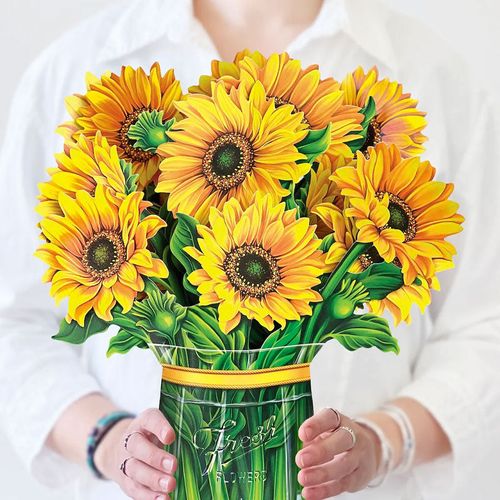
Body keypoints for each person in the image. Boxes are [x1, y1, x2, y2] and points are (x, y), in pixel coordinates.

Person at [0, 0, 499, 499]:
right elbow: (15, 323)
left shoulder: (433, 75)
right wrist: (106, 439)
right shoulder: (73, 69)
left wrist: (383, 440)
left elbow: (485, 329)